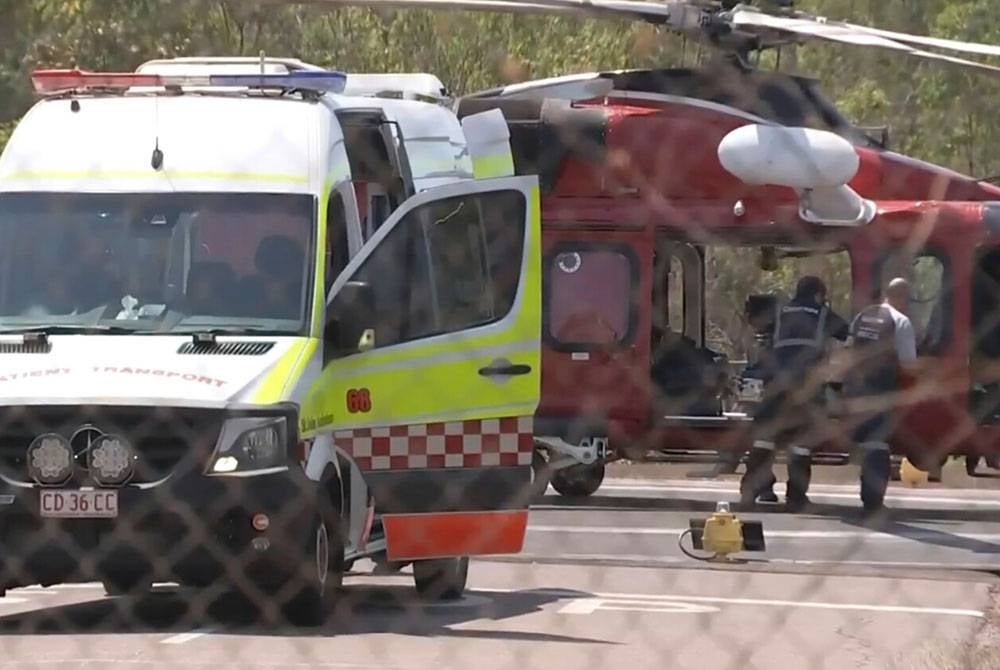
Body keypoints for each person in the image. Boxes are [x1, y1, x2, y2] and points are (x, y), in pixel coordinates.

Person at [740, 276, 849, 511]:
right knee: (801, 443)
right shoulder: (822, 313)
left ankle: (749, 491)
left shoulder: (780, 312)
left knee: (764, 439)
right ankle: (796, 497)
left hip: (775, 382)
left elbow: (760, 330)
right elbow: (847, 333)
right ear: (819, 295)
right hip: (805, 385)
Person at [845, 277, 917, 514]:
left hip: (855, 390)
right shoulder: (900, 321)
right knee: (877, 446)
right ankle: (872, 504)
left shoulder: (862, 316)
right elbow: (908, 364)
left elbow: (847, 350)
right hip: (881, 390)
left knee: (866, 444)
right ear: (902, 297)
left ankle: (867, 499)